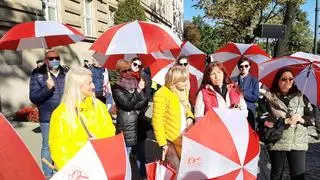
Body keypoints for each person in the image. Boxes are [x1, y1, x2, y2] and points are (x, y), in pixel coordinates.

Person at [49, 67, 115, 170]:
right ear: (77, 86)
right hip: (79, 171)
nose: (93, 86)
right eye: (89, 83)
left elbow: (110, 132)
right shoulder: (61, 114)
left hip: (100, 166)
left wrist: (98, 140)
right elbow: (59, 151)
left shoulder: (99, 106)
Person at [259, 68, 318, 180]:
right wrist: (285, 121)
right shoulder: (268, 97)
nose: (288, 82)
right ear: (277, 81)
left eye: (291, 79)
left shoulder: (301, 97)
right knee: (277, 174)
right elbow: (264, 118)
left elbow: (311, 117)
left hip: (298, 141)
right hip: (277, 140)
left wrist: (302, 119)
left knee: (298, 175)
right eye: (284, 79)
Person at [29, 50, 67, 177]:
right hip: (47, 116)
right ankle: (48, 174)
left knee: (63, 142)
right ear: (46, 60)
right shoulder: (38, 74)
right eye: (51, 58)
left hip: (64, 115)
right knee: (47, 145)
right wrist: (47, 88)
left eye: (57, 58)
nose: (54, 60)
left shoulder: (65, 72)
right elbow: (34, 97)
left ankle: (63, 169)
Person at [152, 65, 194, 171]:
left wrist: (190, 117)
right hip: (170, 141)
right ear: (173, 81)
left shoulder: (182, 90)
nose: (186, 83)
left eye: (186, 80)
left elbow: (187, 108)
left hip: (184, 138)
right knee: (176, 172)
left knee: (187, 171)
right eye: (183, 80)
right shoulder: (161, 94)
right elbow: (157, 120)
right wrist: (163, 144)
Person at [111, 59, 149, 178]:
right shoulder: (117, 87)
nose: (128, 72)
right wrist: (138, 91)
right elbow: (126, 105)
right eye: (124, 71)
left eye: (129, 70)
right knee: (125, 156)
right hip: (126, 126)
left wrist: (133, 106)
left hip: (139, 124)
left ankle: (143, 176)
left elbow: (144, 101)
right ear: (119, 72)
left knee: (141, 154)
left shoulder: (135, 81)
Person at [232, 57, 259, 130]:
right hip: (236, 110)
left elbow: (256, 97)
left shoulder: (254, 80)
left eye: (246, 66)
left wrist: (243, 93)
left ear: (249, 66)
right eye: (241, 66)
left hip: (249, 110)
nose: (244, 68)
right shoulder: (233, 80)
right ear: (238, 67)